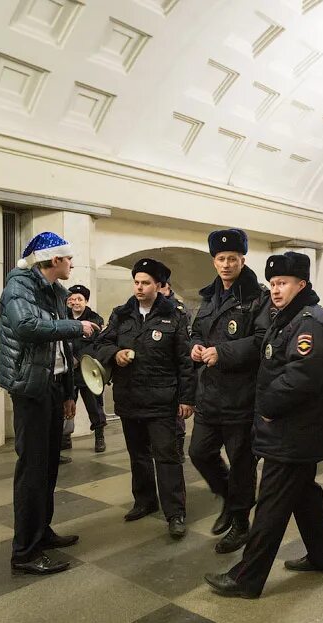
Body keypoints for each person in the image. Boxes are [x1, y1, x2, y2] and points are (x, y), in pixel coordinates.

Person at [204, 251, 323, 599]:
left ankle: (246, 579)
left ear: (302, 284)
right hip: (292, 431)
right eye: (273, 284)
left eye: (283, 284)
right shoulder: (287, 318)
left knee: (271, 506)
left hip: (292, 431)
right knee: (305, 496)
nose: (276, 290)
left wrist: (266, 406)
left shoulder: (308, 322)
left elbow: (302, 376)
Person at [0, 232, 100, 575]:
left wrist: (70, 391)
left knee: (49, 468)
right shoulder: (19, 286)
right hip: (31, 388)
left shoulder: (56, 291)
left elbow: (63, 351)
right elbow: (26, 326)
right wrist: (75, 325)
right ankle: (25, 552)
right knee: (32, 470)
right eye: (68, 258)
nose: (72, 264)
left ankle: (42, 532)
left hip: (54, 385)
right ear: (53, 260)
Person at [94, 258, 196, 539]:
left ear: (159, 286)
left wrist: (187, 398)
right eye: (136, 282)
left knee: (167, 457)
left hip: (162, 399)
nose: (139, 287)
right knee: (138, 455)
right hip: (129, 398)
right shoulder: (121, 314)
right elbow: (101, 343)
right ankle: (145, 501)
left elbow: (185, 360)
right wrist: (115, 354)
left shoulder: (174, 315)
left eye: (146, 283)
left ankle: (175, 512)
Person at [189, 229, 267, 554]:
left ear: (242, 260)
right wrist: (194, 346)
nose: (225, 264)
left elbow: (262, 338)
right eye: (220, 259)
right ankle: (227, 498)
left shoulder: (257, 296)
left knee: (241, 463)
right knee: (199, 453)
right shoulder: (209, 297)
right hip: (210, 396)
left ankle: (240, 523)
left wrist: (224, 352)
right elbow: (195, 330)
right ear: (214, 260)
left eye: (232, 259)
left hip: (240, 397)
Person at [64, 284, 107, 452]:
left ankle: (99, 436)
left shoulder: (95, 319)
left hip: (88, 371)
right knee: (66, 405)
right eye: (72, 299)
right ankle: (65, 438)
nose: (75, 302)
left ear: (86, 301)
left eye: (79, 299)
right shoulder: (63, 316)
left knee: (94, 406)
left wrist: (78, 358)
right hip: (67, 372)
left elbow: (96, 345)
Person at [158, 269, 191, 463]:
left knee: (176, 412)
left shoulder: (178, 309)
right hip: (158, 367)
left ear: (166, 287)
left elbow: (185, 340)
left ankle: (178, 446)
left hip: (174, 366)